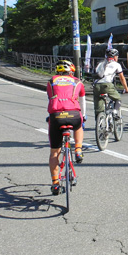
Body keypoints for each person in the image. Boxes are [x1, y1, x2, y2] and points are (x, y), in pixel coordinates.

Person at [46, 60, 86, 195]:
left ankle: (55, 183)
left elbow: (51, 99)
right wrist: (83, 117)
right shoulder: (77, 81)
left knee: (54, 153)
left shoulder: (51, 81)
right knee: (79, 126)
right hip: (74, 114)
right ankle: (78, 150)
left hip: (56, 116)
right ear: (72, 71)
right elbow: (82, 102)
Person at [93, 48, 128, 120]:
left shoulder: (100, 63)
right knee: (117, 98)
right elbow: (122, 78)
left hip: (96, 85)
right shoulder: (116, 65)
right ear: (115, 57)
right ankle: (115, 112)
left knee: (98, 106)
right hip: (107, 85)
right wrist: (126, 89)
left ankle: (99, 121)